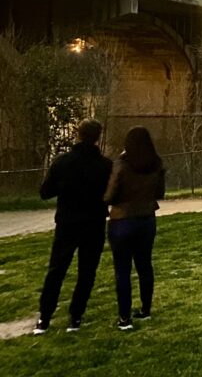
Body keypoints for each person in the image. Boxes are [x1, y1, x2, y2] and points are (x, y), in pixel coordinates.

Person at [34, 120, 113, 334]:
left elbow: (45, 192)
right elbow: (111, 194)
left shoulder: (63, 162)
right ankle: (76, 317)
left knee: (57, 270)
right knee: (86, 271)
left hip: (68, 222)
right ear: (97, 137)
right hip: (94, 222)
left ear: (78, 135)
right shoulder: (105, 165)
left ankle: (44, 317)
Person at [105, 126, 165, 331]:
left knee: (123, 270)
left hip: (122, 220)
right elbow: (160, 192)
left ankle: (124, 318)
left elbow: (110, 195)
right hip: (146, 219)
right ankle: (145, 309)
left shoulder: (121, 165)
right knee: (144, 266)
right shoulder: (156, 164)